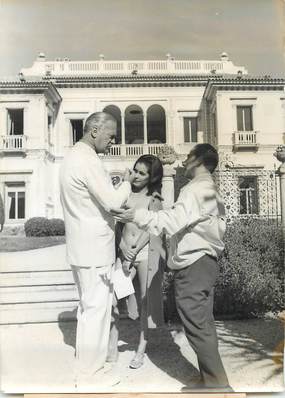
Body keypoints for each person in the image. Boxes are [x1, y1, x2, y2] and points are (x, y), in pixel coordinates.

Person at [111, 144, 232, 392]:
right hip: (207, 263)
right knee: (204, 325)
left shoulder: (194, 189)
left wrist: (137, 216)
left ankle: (219, 388)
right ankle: (209, 380)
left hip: (194, 265)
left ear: (197, 160)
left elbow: (172, 221)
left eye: (187, 157)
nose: (182, 162)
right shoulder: (212, 191)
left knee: (197, 326)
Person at [59, 112, 134, 384]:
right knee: (96, 311)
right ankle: (90, 376)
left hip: (82, 248)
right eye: (110, 135)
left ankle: (87, 368)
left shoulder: (73, 157)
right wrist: (127, 182)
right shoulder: (87, 159)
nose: (113, 141)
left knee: (88, 309)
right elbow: (113, 203)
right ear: (94, 130)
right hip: (94, 250)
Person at [110, 155, 165, 369]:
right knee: (114, 299)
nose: (137, 176)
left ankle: (141, 350)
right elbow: (116, 225)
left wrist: (133, 251)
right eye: (136, 170)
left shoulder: (155, 199)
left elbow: (154, 228)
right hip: (124, 252)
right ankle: (112, 348)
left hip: (143, 254)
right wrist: (124, 250)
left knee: (145, 302)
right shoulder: (125, 194)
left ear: (152, 177)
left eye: (143, 173)